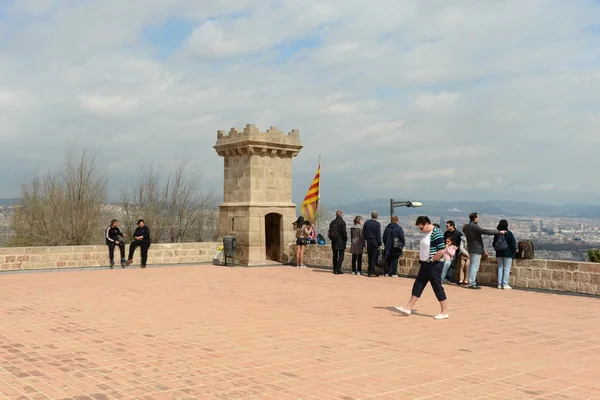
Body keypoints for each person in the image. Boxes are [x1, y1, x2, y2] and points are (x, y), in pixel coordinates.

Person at [395, 216, 449, 320]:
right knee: (418, 285)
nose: (420, 230)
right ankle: (408, 307)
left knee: (437, 287)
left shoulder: (436, 233)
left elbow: (441, 249)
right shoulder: (427, 233)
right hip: (425, 264)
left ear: (427, 224)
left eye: (421, 228)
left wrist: (433, 259)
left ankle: (444, 311)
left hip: (434, 265)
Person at [464, 212, 505, 289]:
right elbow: (485, 231)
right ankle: (472, 283)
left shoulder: (468, 226)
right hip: (476, 248)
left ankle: (470, 281)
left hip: (471, 248)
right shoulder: (474, 226)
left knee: (472, 266)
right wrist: (499, 232)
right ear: (475, 218)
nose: (478, 219)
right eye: (478, 217)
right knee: (474, 267)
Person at [493, 219, 517, 289]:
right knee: (506, 268)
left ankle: (499, 284)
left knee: (500, 268)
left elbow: (494, 243)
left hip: (499, 253)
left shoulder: (497, 233)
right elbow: (513, 244)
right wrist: (513, 251)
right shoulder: (509, 233)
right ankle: (505, 284)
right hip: (508, 253)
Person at [362, 211, 382, 277]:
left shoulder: (367, 223)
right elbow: (378, 235)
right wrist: (380, 244)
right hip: (375, 242)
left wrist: (365, 239)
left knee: (370, 257)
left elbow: (363, 233)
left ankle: (370, 270)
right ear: (376, 216)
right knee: (373, 257)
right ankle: (371, 271)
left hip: (368, 242)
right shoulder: (377, 224)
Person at [328, 210, 348, 274]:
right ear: (341, 215)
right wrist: (345, 239)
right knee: (341, 256)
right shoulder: (342, 222)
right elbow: (344, 233)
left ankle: (335, 269)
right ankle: (338, 269)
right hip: (341, 241)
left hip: (334, 241)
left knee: (335, 255)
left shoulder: (332, 222)